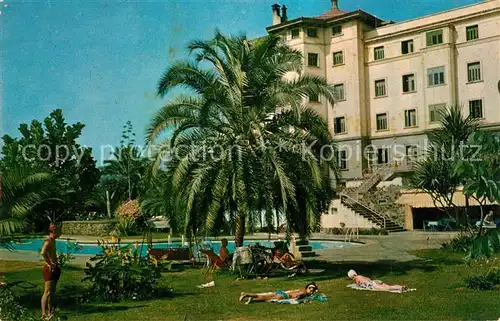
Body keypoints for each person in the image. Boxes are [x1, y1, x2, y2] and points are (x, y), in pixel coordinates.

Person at [41, 223, 62, 320]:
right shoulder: (48, 241)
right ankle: (43, 314)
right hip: (49, 269)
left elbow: (50, 253)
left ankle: (49, 313)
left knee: (51, 292)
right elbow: (43, 253)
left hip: (55, 268)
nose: (60, 232)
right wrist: (49, 263)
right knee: (47, 292)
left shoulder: (53, 241)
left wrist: (56, 257)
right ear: (54, 231)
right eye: (59, 230)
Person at [239, 282, 319, 304]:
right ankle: (246, 294)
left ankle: (251, 298)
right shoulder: (304, 292)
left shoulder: (302, 289)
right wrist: (299, 298)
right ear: (307, 288)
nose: (311, 291)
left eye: (312, 290)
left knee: (265, 298)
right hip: (283, 296)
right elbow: (299, 295)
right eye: (310, 289)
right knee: (264, 298)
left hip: (281, 293)